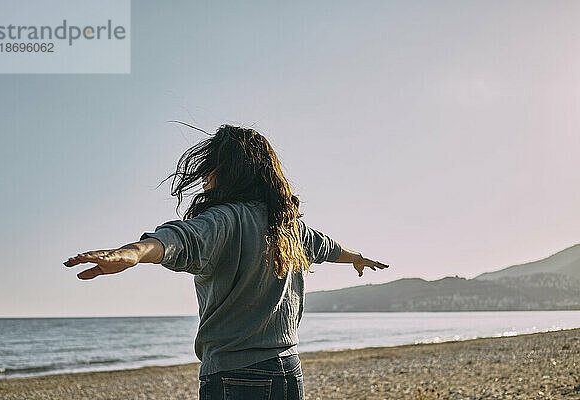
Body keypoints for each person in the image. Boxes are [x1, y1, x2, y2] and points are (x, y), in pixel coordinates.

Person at [64, 124, 389, 400]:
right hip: (289, 370)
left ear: (232, 171)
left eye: (212, 166)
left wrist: (133, 253)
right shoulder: (288, 227)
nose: (204, 175)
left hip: (236, 375)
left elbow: (181, 239)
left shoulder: (226, 219)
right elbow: (329, 247)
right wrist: (356, 259)